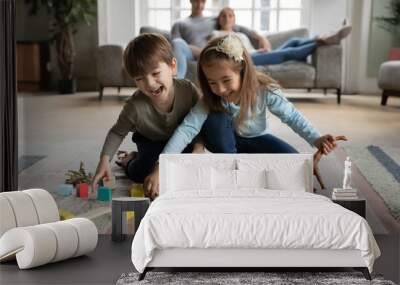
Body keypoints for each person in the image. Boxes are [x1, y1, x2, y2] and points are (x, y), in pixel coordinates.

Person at [146, 34, 339, 199]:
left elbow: (293, 117)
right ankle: (234, 174)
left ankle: (245, 169)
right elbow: (187, 129)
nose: (219, 89)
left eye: (226, 80)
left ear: (243, 71)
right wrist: (160, 166)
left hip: (257, 139)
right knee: (216, 119)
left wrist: (316, 138)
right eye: (212, 82)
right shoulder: (209, 99)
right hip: (222, 143)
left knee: (294, 165)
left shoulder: (265, 91)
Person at [92, 33, 204, 193]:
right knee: (144, 172)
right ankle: (129, 160)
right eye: (140, 79)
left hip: (182, 141)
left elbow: (200, 123)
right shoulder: (135, 106)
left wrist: (199, 147)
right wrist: (104, 161)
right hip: (151, 141)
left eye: (156, 73)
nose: (150, 84)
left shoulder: (188, 90)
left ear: (173, 67)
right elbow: (117, 132)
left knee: (186, 166)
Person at [212, 7, 352, 66]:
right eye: (223, 16)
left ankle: (326, 36)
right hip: (246, 60)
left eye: (230, 15)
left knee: (294, 40)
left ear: (234, 19)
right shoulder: (216, 34)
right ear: (219, 20)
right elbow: (224, 52)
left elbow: (249, 45)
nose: (226, 18)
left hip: (256, 54)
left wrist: (260, 47)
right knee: (287, 53)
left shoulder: (240, 33)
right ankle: (325, 40)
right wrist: (254, 53)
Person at [172, 0, 270, 78]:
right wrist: (197, 50)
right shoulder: (180, 23)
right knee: (177, 42)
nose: (199, 4)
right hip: (191, 53)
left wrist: (261, 37)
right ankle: (177, 81)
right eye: (196, 1)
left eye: (203, 1)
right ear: (191, 1)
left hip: (213, 52)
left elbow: (238, 28)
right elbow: (176, 46)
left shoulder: (214, 20)